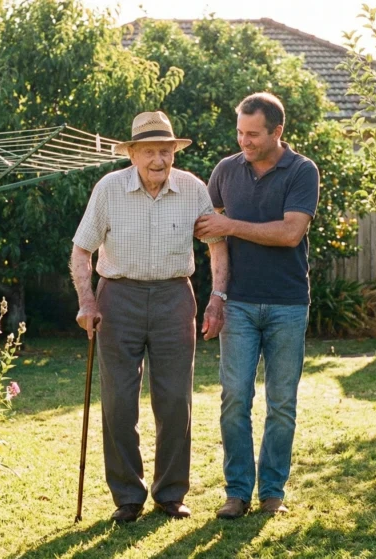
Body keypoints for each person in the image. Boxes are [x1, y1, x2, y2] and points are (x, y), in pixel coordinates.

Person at [70, 111, 229, 523]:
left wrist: (217, 298)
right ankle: (127, 496)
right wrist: (87, 301)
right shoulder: (109, 189)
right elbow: (81, 251)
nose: (159, 159)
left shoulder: (194, 189)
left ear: (173, 152)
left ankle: (170, 493)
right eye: (149, 151)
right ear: (133, 154)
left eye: (166, 150)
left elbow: (216, 245)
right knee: (120, 401)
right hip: (117, 297)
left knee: (175, 399)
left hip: (175, 297)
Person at [194, 92, 319, 518]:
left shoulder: (302, 171)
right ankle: (236, 492)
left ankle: (272, 492)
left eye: (253, 134)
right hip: (240, 305)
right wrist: (217, 295)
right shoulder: (226, 171)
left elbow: (290, 233)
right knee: (234, 398)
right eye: (240, 133)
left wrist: (230, 225)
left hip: (287, 304)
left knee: (281, 402)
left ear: (277, 132)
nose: (243, 141)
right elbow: (212, 236)